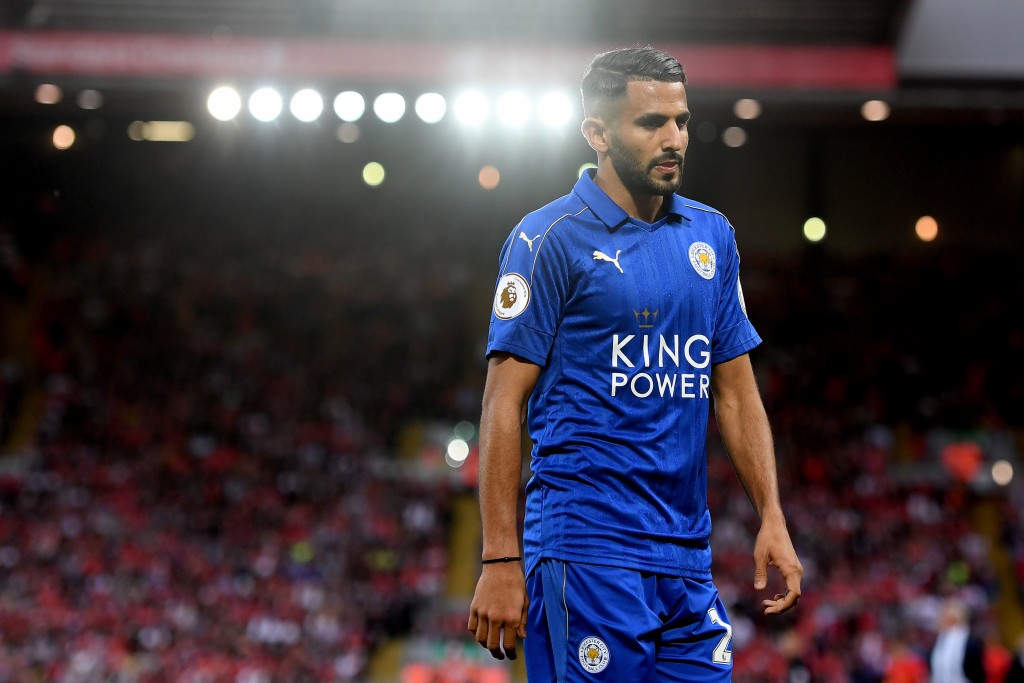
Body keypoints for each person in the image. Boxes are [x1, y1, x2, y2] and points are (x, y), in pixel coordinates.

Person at [467, 45, 803, 681]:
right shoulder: (548, 240)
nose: (673, 138)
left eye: (679, 120)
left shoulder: (711, 238)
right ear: (596, 132)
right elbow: (502, 403)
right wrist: (499, 558)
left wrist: (773, 517)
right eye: (650, 124)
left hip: (685, 557)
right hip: (585, 550)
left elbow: (734, 393)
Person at [929, 598, 986, 683]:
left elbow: (977, 673)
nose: (940, 619)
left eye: (944, 616)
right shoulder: (940, 641)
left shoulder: (971, 643)